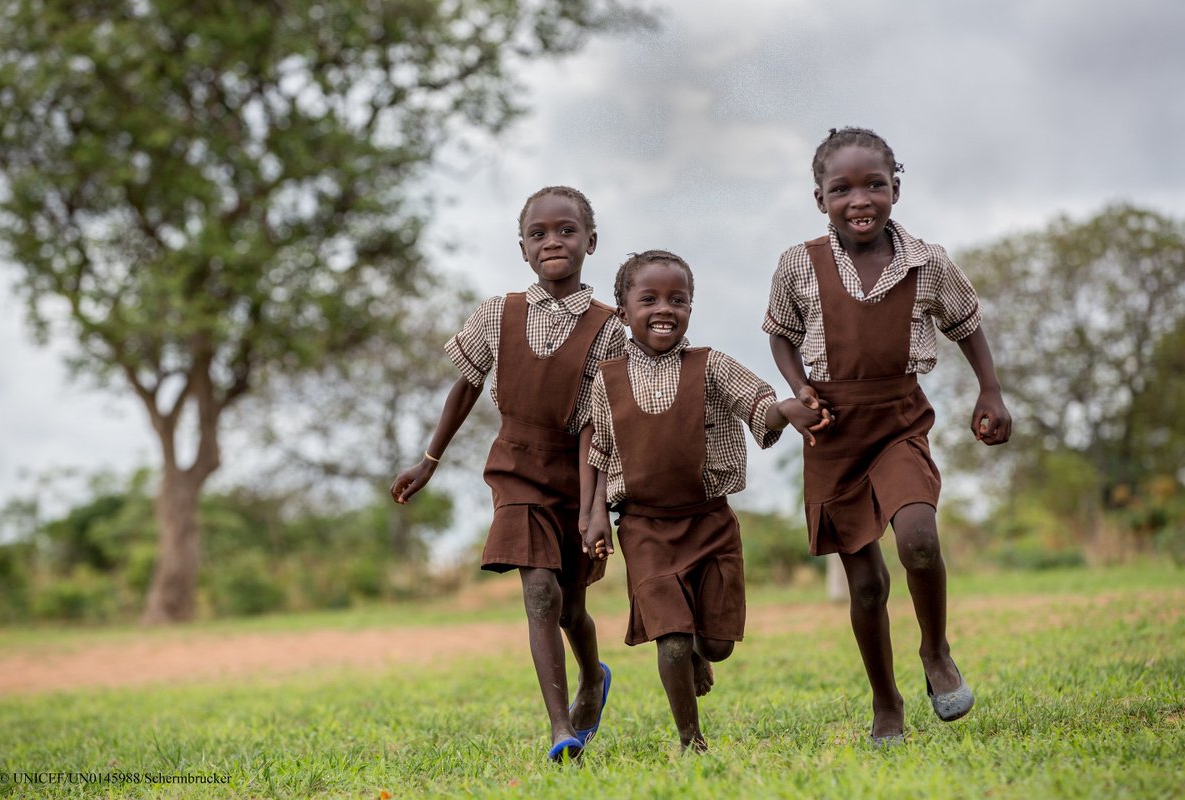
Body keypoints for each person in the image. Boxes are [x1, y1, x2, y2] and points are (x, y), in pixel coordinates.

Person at [763, 127, 1012, 746]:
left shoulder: (927, 261)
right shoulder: (799, 264)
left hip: (899, 419)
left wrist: (990, 390)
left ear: (895, 188)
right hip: (833, 431)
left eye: (874, 184)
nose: (860, 199)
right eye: (841, 188)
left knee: (920, 540)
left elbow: (967, 324)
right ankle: (886, 702)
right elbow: (779, 333)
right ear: (819, 199)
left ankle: (935, 651)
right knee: (868, 583)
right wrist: (799, 388)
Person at [390, 186, 625, 762]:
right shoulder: (499, 312)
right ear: (522, 248)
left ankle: (593, 678)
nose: (552, 242)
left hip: (578, 472)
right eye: (538, 234)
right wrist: (430, 459)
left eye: (567, 231)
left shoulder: (611, 328)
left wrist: (596, 507)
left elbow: (602, 424)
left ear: (590, 241)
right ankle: (558, 727)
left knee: (571, 606)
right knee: (539, 592)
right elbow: (467, 384)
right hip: (515, 468)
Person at [583, 249, 826, 753]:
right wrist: (594, 516)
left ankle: (701, 647)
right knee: (669, 636)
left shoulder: (711, 365)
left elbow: (758, 403)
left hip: (710, 523)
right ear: (623, 309)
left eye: (678, 298)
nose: (663, 309)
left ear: (692, 306)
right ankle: (690, 739)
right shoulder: (607, 381)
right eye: (648, 299)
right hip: (645, 527)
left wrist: (789, 409)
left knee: (714, 643)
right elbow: (599, 451)